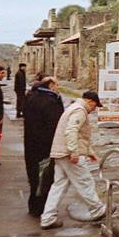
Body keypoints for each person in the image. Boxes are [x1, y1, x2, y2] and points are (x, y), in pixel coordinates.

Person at [40, 91, 106, 229]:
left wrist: (89, 152)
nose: (94, 109)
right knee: (85, 181)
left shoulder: (73, 108)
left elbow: (80, 136)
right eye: (95, 105)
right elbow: (72, 130)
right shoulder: (80, 111)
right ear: (90, 101)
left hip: (59, 153)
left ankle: (47, 217)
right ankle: (98, 209)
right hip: (68, 154)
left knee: (58, 186)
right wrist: (73, 152)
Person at [23, 76, 64, 217]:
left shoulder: (31, 97)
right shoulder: (49, 101)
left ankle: (34, 204)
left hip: (31, 142)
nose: (58, 87)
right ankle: (40, 207)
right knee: (44, 176)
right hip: (45, 144)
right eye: (56, 84)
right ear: (50, 85)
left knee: (34, 175)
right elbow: (55, 125)